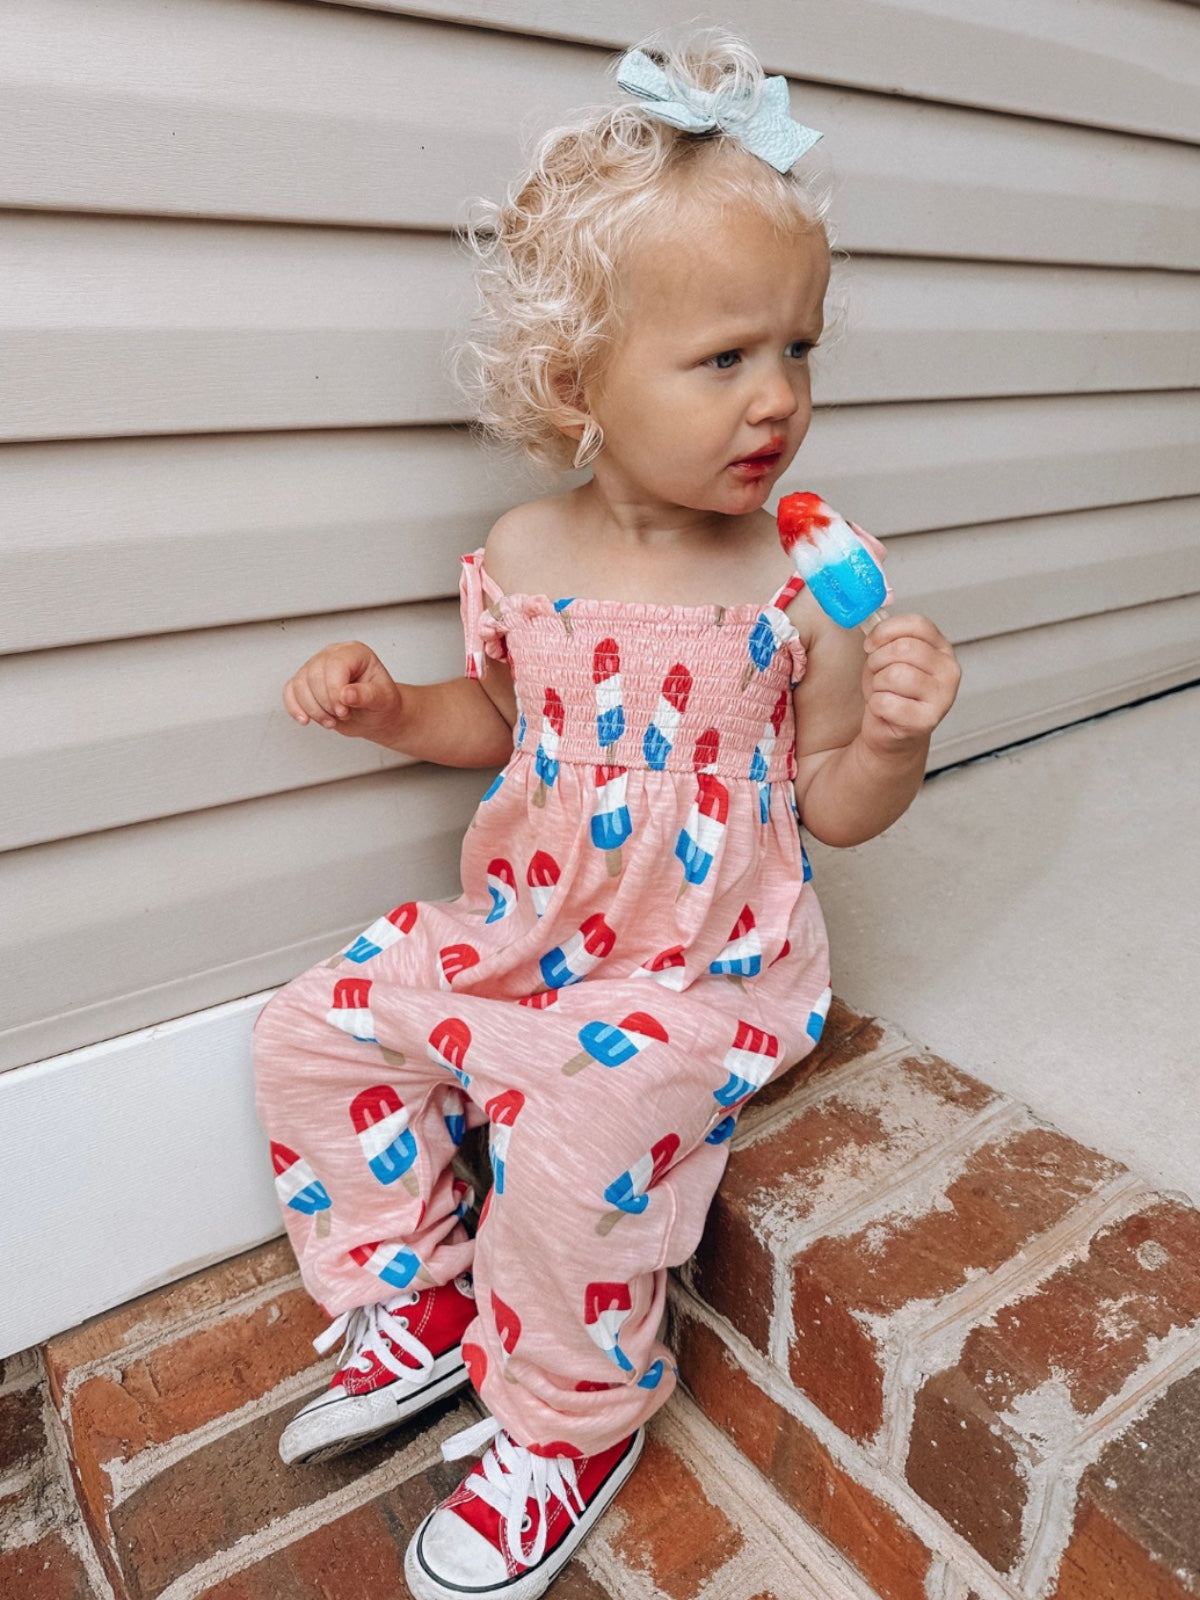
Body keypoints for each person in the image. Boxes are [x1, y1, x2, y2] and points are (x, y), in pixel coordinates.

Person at [253, 28, 960, 1600]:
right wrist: (391, 712)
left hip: (698, 979)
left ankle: (571, 1417)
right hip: (527, 935)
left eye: (800, 350)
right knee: (311, 1026)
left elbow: (835, 800)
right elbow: (498, 725)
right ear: (578, 384)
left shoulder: (796, 586)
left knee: (575, 1141)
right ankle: (421, 1298)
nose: (777, 397)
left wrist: (896, 738)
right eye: (724, 359)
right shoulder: (520, 545)